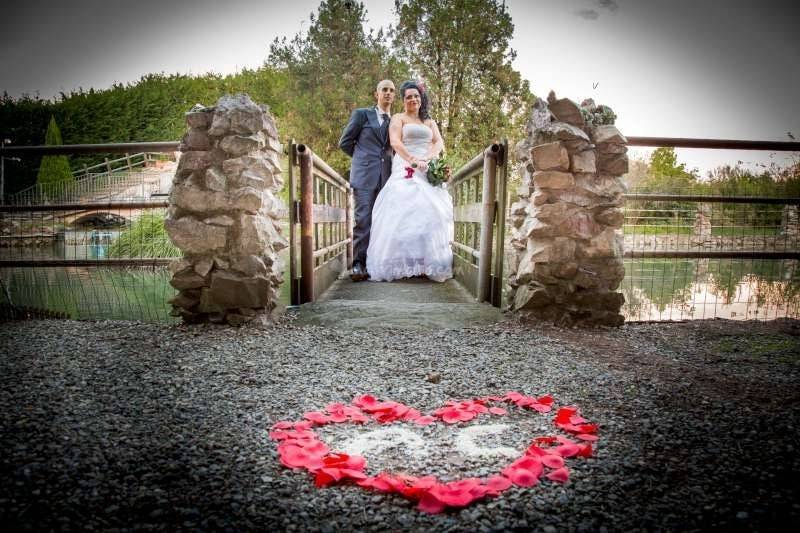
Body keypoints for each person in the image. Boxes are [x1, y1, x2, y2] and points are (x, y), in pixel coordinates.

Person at [366, 80, 454, 282]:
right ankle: (399, 263)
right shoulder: (398, 118)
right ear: (404, 100)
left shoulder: (430, 122)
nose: (413, 99)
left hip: (427, 166)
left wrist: (428, 158)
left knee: (432, 211)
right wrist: (413, 160)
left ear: (421, 99)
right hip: (405, 165)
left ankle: (426, 263)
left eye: (416, 96)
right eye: (408, 97)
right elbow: (395, 142)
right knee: (402, 209)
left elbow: (438, 142)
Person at [338, 79, 396, 281]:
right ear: (376, 94)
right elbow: (345, 143)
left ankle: (377, 263)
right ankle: (358, 264)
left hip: (387, 178)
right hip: (364, 176)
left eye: (391, 90)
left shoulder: (395, 121)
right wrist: (361, 159)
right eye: (384, 90)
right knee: (363, 219)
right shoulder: (362, 115)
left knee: (383, 221)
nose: (388, 93)